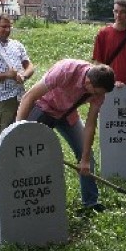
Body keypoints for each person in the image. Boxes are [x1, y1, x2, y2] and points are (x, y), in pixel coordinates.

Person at [16, 59, 115, 211]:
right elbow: (29, 97)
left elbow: (90, 124)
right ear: (88, 82)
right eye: (95, 93)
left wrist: (85, 158)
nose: (97, 96)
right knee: (27, 154)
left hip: (67, 114)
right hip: (45, 108)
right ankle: (30, 203)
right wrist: (19, 129)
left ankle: (91, 203)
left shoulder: (100, 90)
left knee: (87, 156)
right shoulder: (65, 70)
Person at [0, 14, 35, 146]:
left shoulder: (17, 45)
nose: (7, 30)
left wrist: (25, 75)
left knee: (19, 129)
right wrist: (7, 75)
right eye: (3, 27)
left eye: (9, 27)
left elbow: (29, 65)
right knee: (1, 132)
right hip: (1, 98)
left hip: (20, 95)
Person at [92, 0, 126, 89]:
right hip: (109, 86)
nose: (118, 15)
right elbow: (97, 63)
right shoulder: (103, 33)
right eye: (116, 11)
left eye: (122, 12)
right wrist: (110, 81)